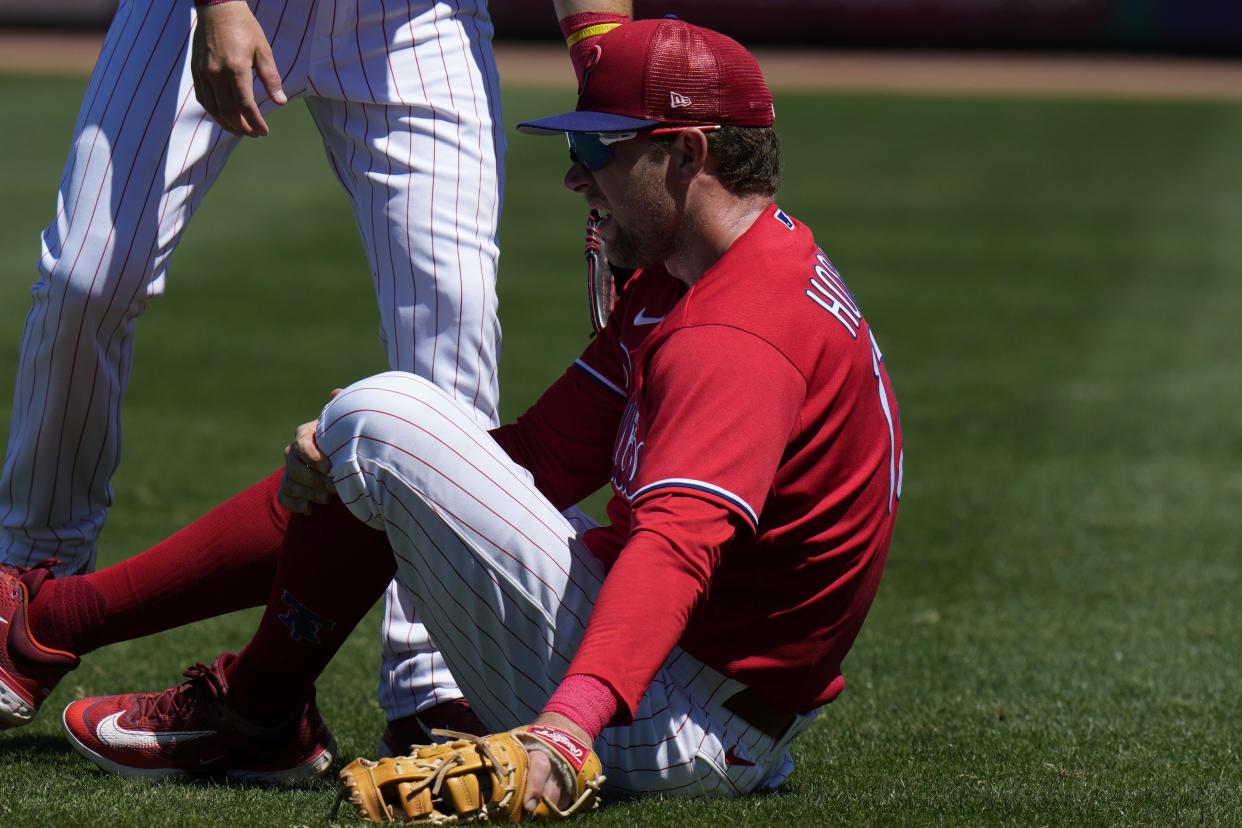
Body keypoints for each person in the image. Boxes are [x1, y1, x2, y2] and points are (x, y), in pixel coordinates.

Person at [0, 18, 902, 806]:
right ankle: (107, 645)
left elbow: (677, 549)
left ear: (689, 154)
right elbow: (537, 458)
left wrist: (563, 732)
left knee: (386, 419)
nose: (575, 179)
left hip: (676, 724)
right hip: (693, 690)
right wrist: (383, 475)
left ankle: (228, 701)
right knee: (390, 441)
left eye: (599, 152)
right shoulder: (718, 271)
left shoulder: (736, 334)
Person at [0, 0, 632, 751]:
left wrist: (609, 73)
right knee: (87, 277)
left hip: (415, 21)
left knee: (452, 322)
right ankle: (30, 573)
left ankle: (432, 677)